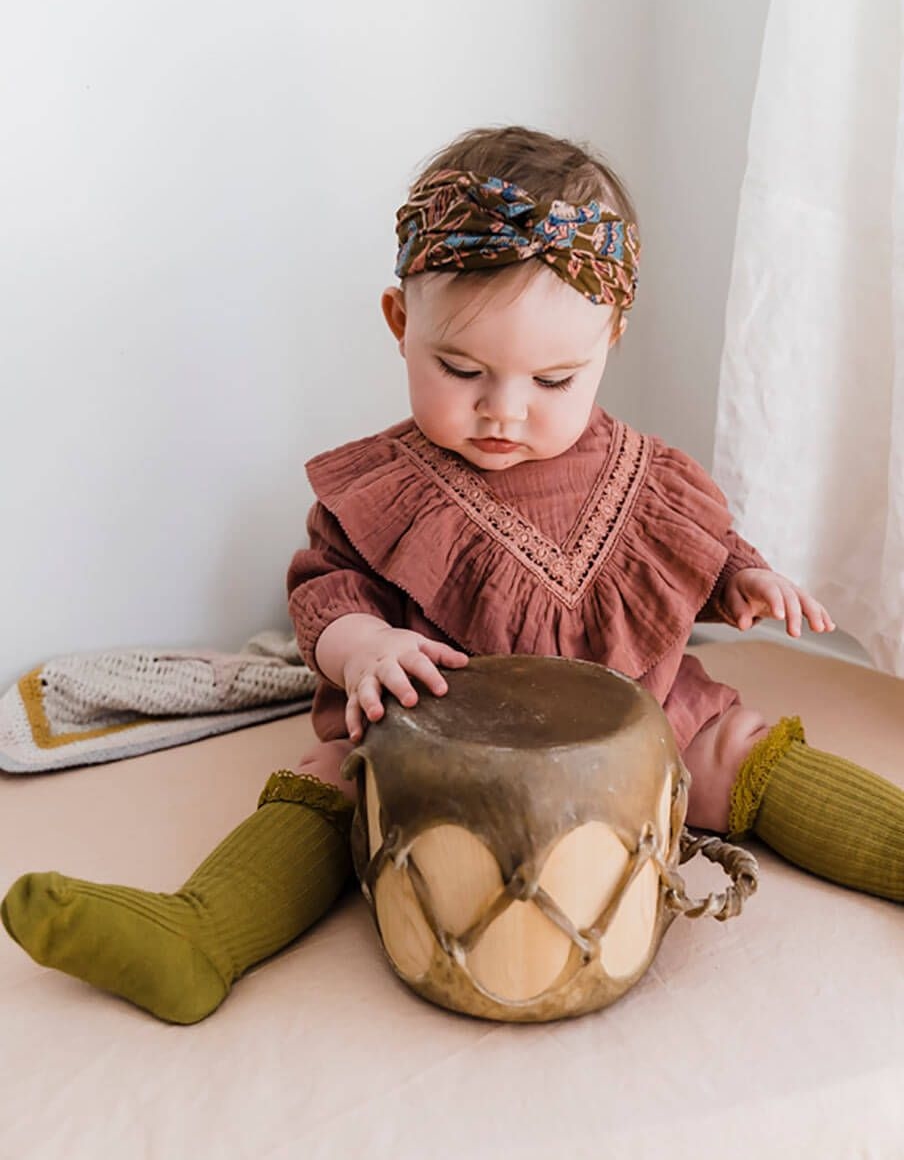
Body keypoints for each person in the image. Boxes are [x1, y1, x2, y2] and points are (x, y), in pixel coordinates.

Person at [3, 125, 902, 1025]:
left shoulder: (644, 476)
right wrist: (365, 650)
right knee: (338, 779)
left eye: (555, 379)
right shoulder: (386, 488)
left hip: (641, 708)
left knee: (735, 748)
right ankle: (201, 933)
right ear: (401, 325)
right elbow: (329, 591)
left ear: (611, 339)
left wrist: (743, 580)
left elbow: (686, 556)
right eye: (461, 369)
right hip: (432, 734)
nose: (503, 412)